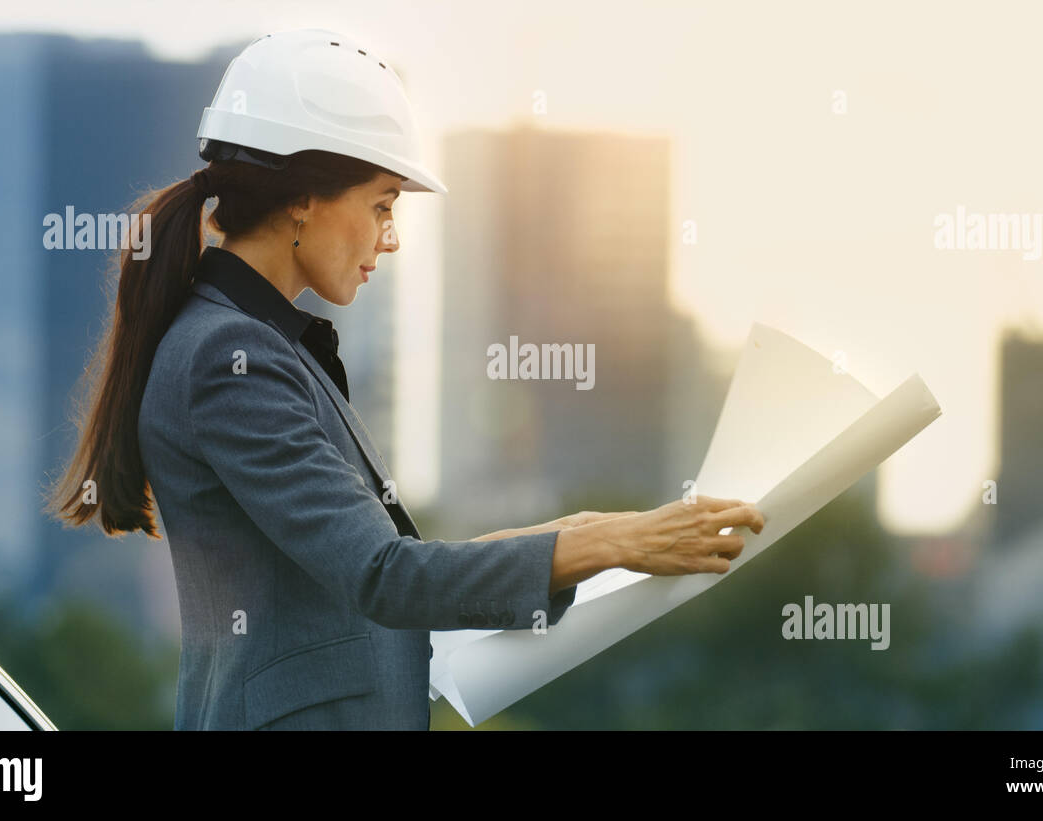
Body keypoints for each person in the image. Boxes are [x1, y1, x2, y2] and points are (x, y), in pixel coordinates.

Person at [44, 28, 764, 730]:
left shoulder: (247, 341)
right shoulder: (229, 357)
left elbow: (377, 563)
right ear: (304, 195)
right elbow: (384, 574)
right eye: (383, 205)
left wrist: (587, 531)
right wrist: (616, 544)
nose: (390, 237)